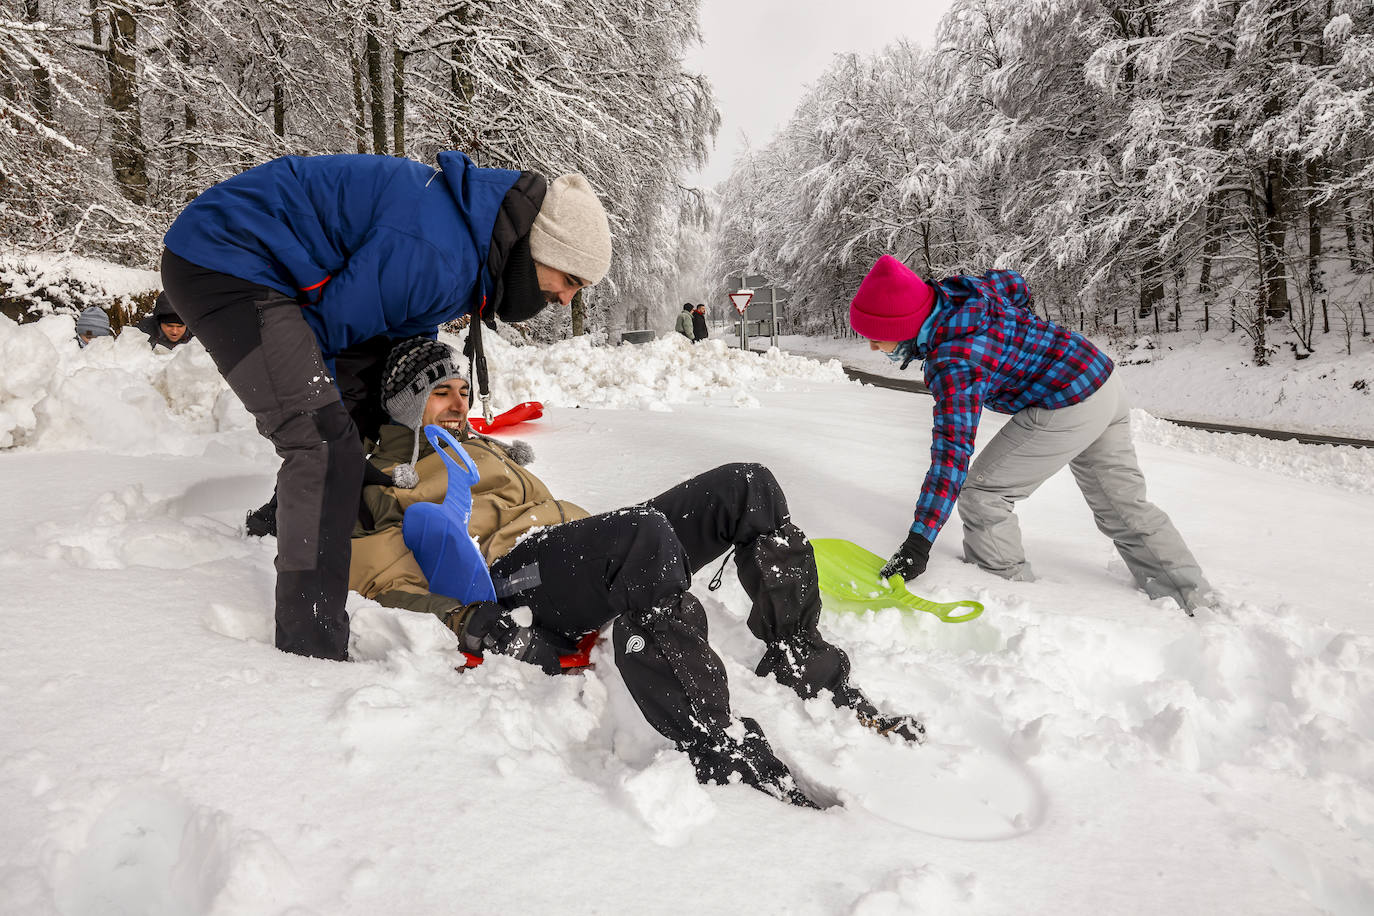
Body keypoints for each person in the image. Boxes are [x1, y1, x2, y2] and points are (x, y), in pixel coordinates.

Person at [349, 337, 924, 806]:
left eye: (462, 390)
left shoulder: (481, 447)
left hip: (574, 548)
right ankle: (713, 739)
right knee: (639, 536)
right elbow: (377, 580)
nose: (457, 403)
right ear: (404, 403)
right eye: (439, 393)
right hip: (513, 577)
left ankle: (800, 657)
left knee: (748, 486)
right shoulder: (387, 479)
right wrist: (466, 618)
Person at [159, 151, 612, 662]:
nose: (567, 299)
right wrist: (325, 438)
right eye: (570, 281)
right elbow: (325, 336)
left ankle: (284, 522)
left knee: (364, 415)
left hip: (274, 270)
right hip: (224, 257)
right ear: (540, 248)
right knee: (322, 441)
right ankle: (310, 642)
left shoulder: (468, 250)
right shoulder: (442, 253)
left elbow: (388, 336)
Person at [849, 254, 1211, 613]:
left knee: (983, 494)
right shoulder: (962, 293)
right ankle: (1192, 600)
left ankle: (1008, 603)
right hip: (1099, 376)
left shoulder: (955, 362)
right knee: (1122, 505)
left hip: (1066, 402)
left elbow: (952, 452)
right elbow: (1014, 283)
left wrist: (919, 542)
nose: (873, 347)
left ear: (907, 326)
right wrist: (1025, 338)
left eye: (878, 338)